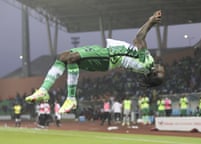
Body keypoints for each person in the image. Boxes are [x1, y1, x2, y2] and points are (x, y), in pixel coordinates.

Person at [25, 10, 165, 113]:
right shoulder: (147, 63)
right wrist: (149, 22)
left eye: (161, 74)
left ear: (153, 74)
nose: (163, 70)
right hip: (106, 55)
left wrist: (151, 21)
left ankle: (68, 98)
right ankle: (48, 91)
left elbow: (139, 38)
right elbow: (137, 40)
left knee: (70, 57)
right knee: (65, 57)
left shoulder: (147, 64)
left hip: (107, 57)